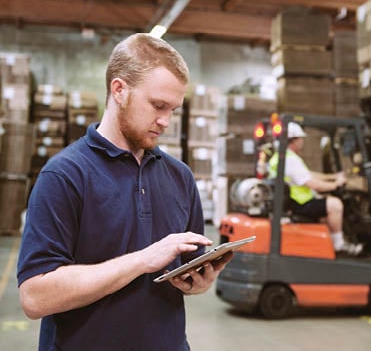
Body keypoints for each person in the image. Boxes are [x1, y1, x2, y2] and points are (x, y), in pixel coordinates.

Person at [17, 33, 233, 351]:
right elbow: (34, 297)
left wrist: (198, 282)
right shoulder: (64, 176)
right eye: (158, 106)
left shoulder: (180, 177)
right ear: (119, 90)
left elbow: (186, 270)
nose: (166, 121)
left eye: (173, 109)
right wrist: (143, 259)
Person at [268, 122, 362, 256]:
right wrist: (336, 185)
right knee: (335, 205)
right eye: (301, 138)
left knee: (326, 205)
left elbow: (309, 174)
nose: (302, 142)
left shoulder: (282, 157)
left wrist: (333, 177)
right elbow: (313, 184)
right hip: (299, 204)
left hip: (294, 202)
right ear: (293, 140)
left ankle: (332, 241)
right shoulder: (290, 160)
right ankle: (339, 244)